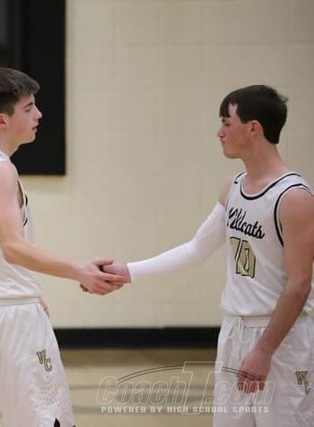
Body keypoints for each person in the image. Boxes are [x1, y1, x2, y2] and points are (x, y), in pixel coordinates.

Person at [99, 85, 313, 426]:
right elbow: (196, 249)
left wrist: (265, 349)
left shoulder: (294, 197)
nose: (219, 132)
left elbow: (299, 285)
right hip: (234, 331)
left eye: (227, 123)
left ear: (253, 128)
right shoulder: (232, 187)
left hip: (280, 339)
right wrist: (126, 271)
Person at [0, 66, 126, 426]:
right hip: (11, 320)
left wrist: (23, 288)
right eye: (28, 108)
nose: (38, 114)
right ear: (2, 120)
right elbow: (12, 247)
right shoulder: (1, 170)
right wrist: (78, 271)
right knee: (47, 420)